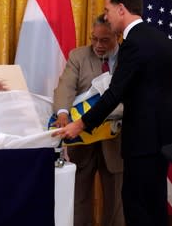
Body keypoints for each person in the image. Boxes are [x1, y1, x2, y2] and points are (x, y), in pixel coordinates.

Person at [53, 0, 172, 226]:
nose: (106, 15)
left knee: (135, 208)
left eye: (108, 10)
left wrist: (81, 124)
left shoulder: (133, 44)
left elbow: (114, 94)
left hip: (139, 144)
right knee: (156, 206)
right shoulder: (161, 39)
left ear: (121, 9)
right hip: (162, 143)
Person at [52, 14, 124, 226]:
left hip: (115, 140)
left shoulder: (129, 58)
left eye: (104, 40)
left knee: (116, 200)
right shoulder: (78, 56)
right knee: (79, 198)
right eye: (94, 39)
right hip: (81, 139)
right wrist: (63, 113)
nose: (97, 45)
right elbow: (65, 87)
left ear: (117, 36)